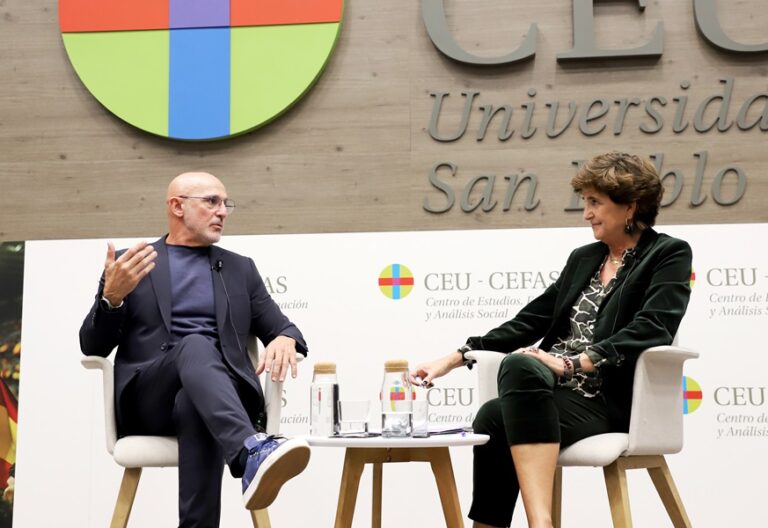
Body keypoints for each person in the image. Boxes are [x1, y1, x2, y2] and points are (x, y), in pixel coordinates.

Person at [411, 152, 692, 528]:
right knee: (493, 415)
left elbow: (654, 326)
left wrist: (576, 362)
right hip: (557, 391)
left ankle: (540, 522)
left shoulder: (667, 254)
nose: (587, 213)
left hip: (609, 399)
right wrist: (456, 357)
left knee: (508, 391)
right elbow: (531, 319)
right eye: (585, 203)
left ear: (630, 207)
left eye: (595, 202)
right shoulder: (584, 258)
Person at [79, 172, 310, 528]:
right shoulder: (131, 263)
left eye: (225, 203)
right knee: (196, 344)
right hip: (147, 399)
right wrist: (112, 299)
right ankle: (250, 450)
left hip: (218, 399)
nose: (223, 212)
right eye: (211, 202)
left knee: (193, 402)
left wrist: (284, 339)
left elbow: (282, 327)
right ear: (177, 206)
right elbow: (92, 345)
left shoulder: (239, 269)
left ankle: (238, 467)